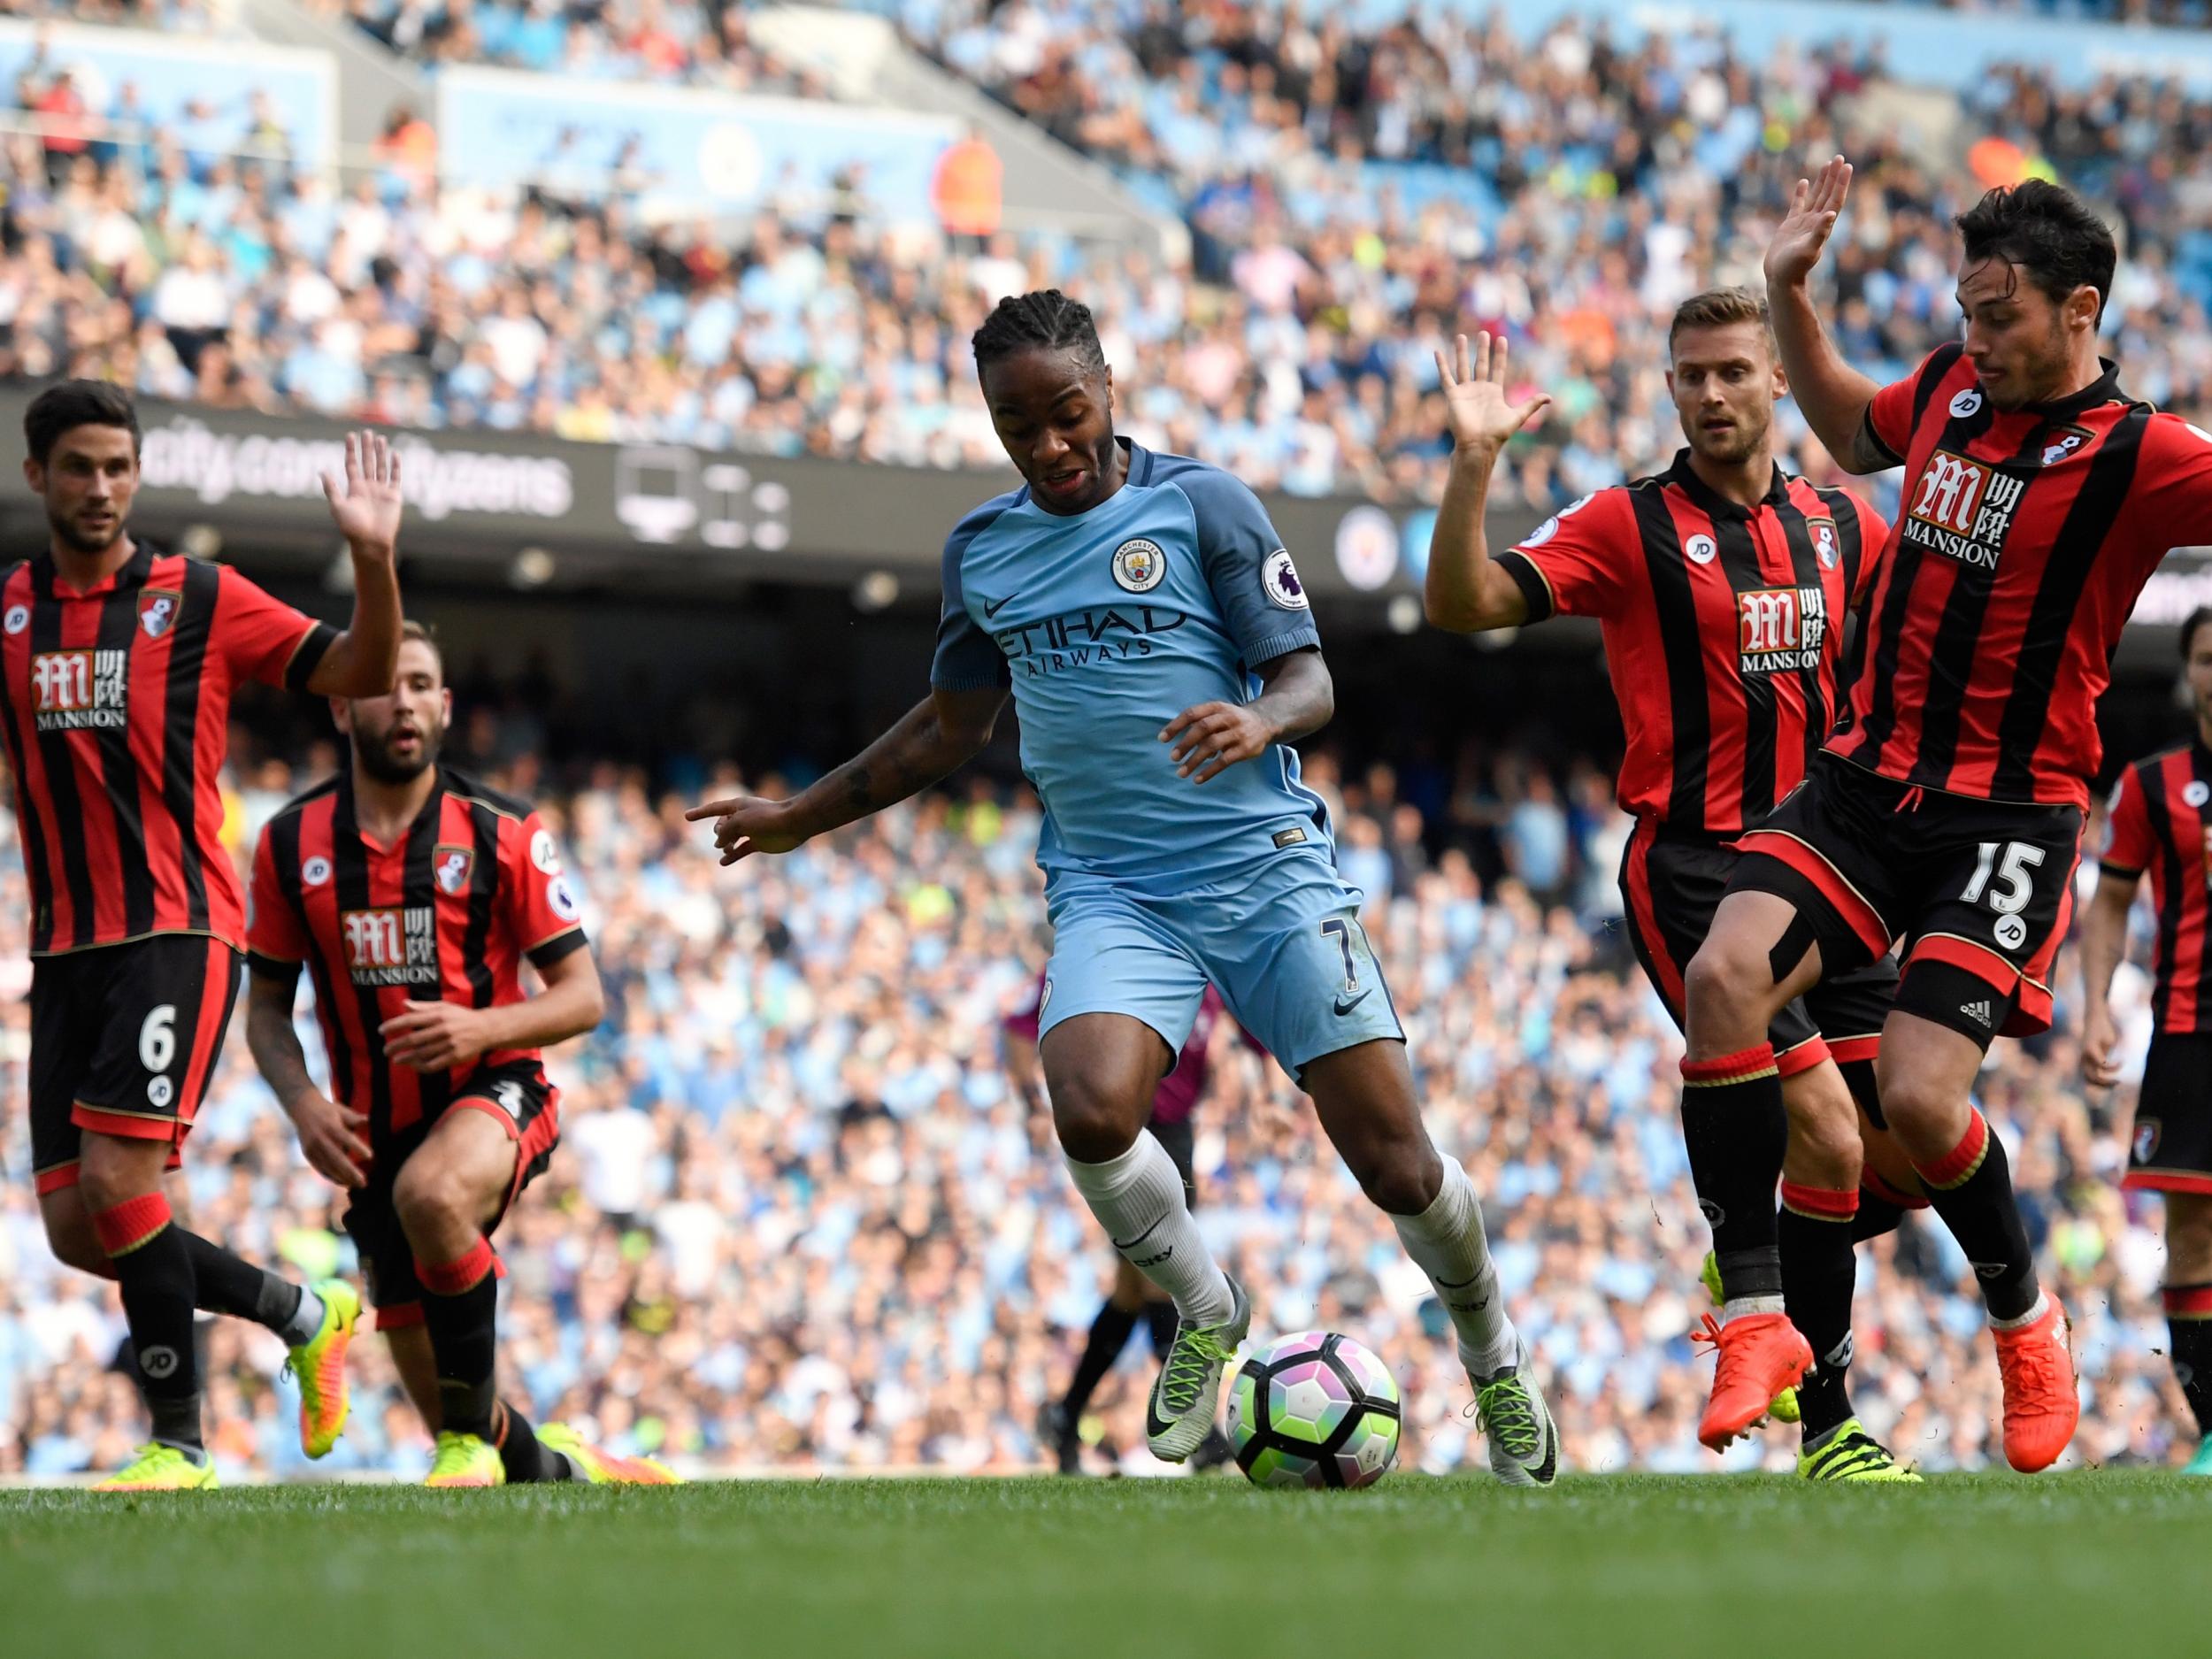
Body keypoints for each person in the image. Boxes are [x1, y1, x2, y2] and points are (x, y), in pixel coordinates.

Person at [689, 288, 1561, 1486]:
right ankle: (1206, 1306)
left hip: (1260, 869)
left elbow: (1309, 680)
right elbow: (949, 725)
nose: (1048, 445)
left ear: (1108, 389)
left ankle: (1496, 1359)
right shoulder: (982, 551)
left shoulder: (1202, 504)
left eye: (1068, 412)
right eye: (1018, 425)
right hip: (1112, 884)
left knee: (1397, 1164)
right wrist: (798, 814)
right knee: (1092, 1104)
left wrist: (1258, 718)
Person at [1687, 163, 2212, 1473]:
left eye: (2001, 313)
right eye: (1966, 308)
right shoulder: (1951, 389)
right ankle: (1757, 1314)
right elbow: (1849, 421)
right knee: (1723, 974)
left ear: (2080, 308)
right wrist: (1787, 294)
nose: (1975, 335)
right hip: (1865, 785)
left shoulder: (2144, 456)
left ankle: (2028, 1320)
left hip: (2007, 818)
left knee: (1920, 1104)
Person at [1422, 290, 1918, 1481]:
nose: (1709, 394)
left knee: (1894, 1158)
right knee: (1835, 1143)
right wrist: (1476, 461)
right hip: (1697, 868)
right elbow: (1462, 603)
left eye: (1733, 372)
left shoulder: (1847, 526)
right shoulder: (1628, 524)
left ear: (1775, 385)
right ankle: (1830, 1423)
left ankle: (1750, 1249)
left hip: (1834, 875)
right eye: (1688, 375)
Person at [4, 380, 403, 1490]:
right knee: (81, 1231)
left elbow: (361, 673)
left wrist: (373, 559)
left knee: (123, 1182)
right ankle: (301, 1311)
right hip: (66, 947)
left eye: (118, 467)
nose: (100, 487)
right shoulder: (10, 616)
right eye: (78, 466)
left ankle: (178, 1447)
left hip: (175, 925)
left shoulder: (200, 598)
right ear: (37, 475)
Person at [244, 622, 674, 1487]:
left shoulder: (503, 830)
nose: (400, 701)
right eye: (380, 684)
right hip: (373, 1135)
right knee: (453, 1405)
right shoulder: (290, 844)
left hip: (494, 1086)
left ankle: (481, 1448)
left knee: (433, 1193)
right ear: (340, 705)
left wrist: (479, 1030)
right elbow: (264, 1013)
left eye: (418, 685)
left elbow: (584, 996)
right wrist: (302, 1106)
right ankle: (566, 1472)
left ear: (444, 707)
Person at [2081, 605, 2212, 1476]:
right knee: (2193, 1235)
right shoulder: (2152, 785)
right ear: (2187, 671)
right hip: (2189, 1035)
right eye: (2207, 657)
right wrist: (2094, 1002)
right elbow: (2111, 900)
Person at [1009, 972, 1234, 1473]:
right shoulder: (1112, 954)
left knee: (1134, 1293)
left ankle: (1066, 1417)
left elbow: (1244, 1039)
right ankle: (1202, 1435)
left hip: (1177, 1137)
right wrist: (1031, 1100)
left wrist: (1258, 1093)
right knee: (1161, 1284)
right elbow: (1019, 1027)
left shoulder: (1211, 971)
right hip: (1126, 1134)